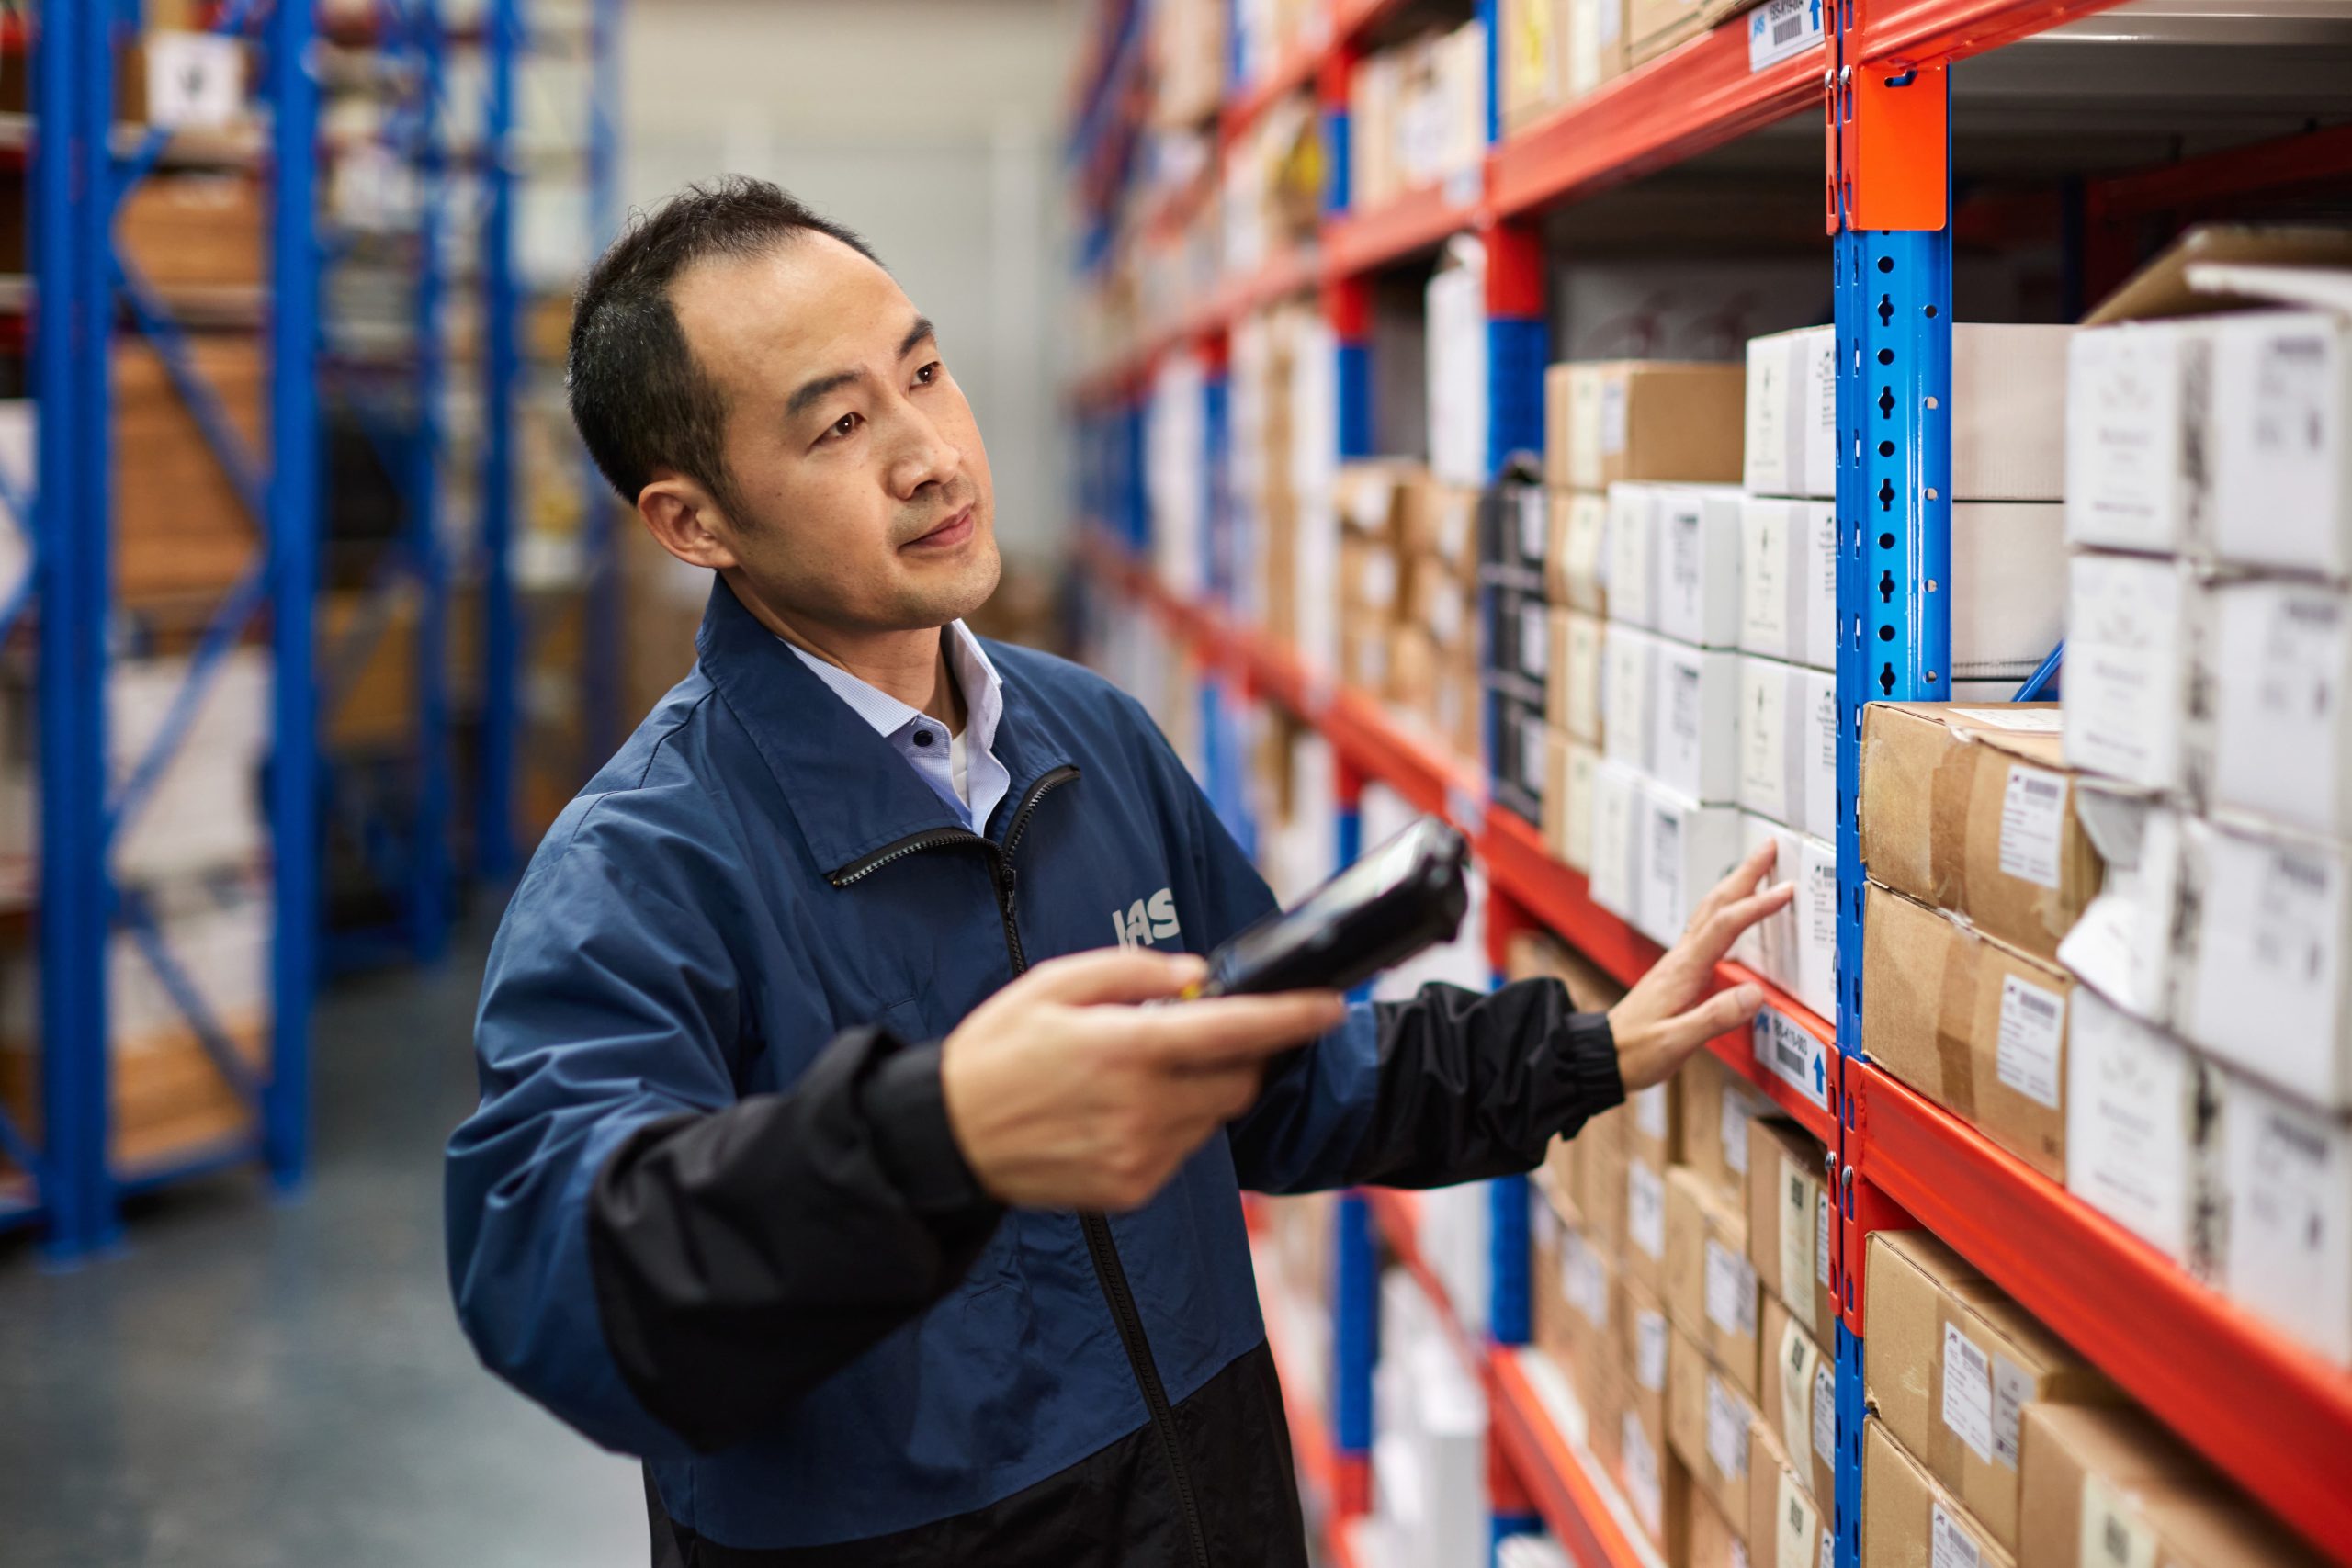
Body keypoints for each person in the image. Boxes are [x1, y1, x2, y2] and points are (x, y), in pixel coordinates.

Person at [444, 176, 1793, 1568]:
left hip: (1207, 1502)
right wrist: (937, 1137)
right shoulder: (643, 867)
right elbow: (552, 1275)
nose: (929, 455)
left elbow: (1278, 1080)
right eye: (841, 425)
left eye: (923, 373)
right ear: (694, 523)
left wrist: (1582, 1052)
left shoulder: (1085, 736)